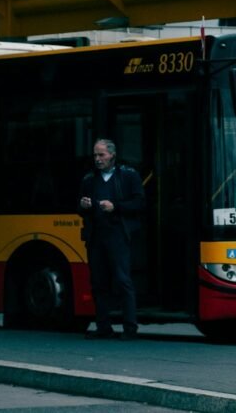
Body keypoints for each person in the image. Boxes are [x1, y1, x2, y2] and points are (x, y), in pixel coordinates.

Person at [78, 138, 145, 339]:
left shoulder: (128, 176)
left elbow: (140, 203)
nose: (98, 159)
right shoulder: (89, 179)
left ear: (112, 155)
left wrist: (115, 206)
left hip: (118, 234)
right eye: (95, 155)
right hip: (96, 235)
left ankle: (130, 328)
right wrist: (84, 205)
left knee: (123, 280)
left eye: (101, 155)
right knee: (98, 282)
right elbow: (80, 207)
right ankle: (103, 326)